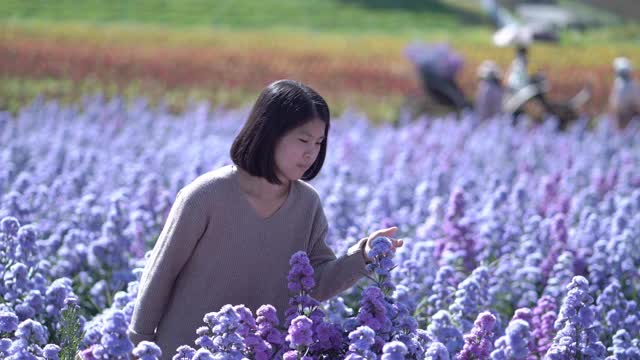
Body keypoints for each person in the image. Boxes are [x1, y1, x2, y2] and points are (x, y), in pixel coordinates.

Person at [126, 79, 404, 358]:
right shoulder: (204, 196)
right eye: (303, 140)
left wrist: (364, 256)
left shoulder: (307, 205)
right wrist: (138, 344)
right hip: (187, 350)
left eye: (319, 143)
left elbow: (313, 284)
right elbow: (161, 274)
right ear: (269, 133)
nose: (311, 153)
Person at [608, 57, 640, 130]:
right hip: (632, 115)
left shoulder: (619, 85)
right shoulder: (634, 84)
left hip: (623, 116)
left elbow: (615, 104)